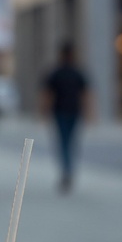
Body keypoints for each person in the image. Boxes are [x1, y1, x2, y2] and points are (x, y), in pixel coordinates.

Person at [41, 41, 91, 192]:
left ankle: (66, 170)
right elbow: (86, 94)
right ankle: (68, 170)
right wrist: (89, 112)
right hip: (73, 111)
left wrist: (44, 110)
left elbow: (48, 95)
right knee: (70, 142)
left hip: (61, 112)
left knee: (63, 142)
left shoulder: (57, 72)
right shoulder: (77, 72)